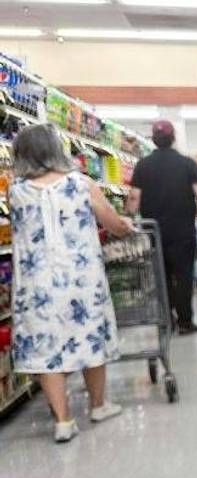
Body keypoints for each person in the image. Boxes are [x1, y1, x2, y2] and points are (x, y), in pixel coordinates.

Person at [8, 124, 135, 443]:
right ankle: (98, 404)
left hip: (36, 283)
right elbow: (114, 225)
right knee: (88, 334)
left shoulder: (16, 191)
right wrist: (125, 225)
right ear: (56, 150)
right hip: (81, 279)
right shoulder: (81, 184)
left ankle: (62, 420)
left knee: (45, 345)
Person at [127, 119, 197, 334]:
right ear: (173, 138)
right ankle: (186, 322)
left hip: (154, 231)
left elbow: (134, 198)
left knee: (162, 275)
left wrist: (128, 217)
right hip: (183, 230)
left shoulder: (142, 165)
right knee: (184, 275)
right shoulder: (188, 163)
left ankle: (167, 320)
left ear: (153, 139)